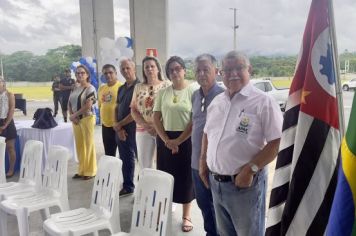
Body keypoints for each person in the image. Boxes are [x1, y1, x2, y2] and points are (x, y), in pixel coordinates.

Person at [199, 51, 283, 236]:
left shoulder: (263, 102)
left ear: (250, 70)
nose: (233, 73)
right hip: (216, 184)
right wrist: (203, 161)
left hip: (245, 186)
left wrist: (250, 169)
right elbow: (207, 133)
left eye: (239, 68)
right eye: (228, 69)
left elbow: (276, 142)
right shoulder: (217, 102)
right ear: (221, 73)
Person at [153, 56, 195, 233]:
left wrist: (178, 141)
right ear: (168, 73)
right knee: (164, 176)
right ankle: (162, 213)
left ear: (184, 70)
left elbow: (194, 120)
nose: (175, 72)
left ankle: (186, 216)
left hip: (185, 140)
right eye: (171, 70)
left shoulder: (193, 91)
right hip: (165, 140)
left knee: (185, 178)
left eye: (178, 68)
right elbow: (156, 117)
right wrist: (166, 140)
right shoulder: (163, 92)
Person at [191, 54, 224, 236]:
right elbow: (194, 123)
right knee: (203, 204)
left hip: (214, 164)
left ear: (216, 71)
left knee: (217, 206)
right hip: (195, 162)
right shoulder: (195, 95)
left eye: (206, 69)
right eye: (198, 70)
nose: (202, 74)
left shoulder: (223, 95)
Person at [130, 56, 170, 172]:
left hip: (163, 130)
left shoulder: (167, 85)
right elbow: (133, 110)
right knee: (144, 165)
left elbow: (170, 110)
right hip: (143, 130)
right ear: (143, 70)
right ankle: (146, 189)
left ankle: (162, 189)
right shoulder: (138, 87)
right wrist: (146, 125)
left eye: (152, 66)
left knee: (164, 164)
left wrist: (157, 127)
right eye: (146, 67)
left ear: (158, 69)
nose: (150, 69)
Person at [114, 59, 140, 196]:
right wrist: (117, 127)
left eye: (128, 68)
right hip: (121, 129)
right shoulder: (121, 88)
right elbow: (116, 107)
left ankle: (144, 190)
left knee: (141, 159)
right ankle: (128, 186)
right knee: (125, 159)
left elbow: (136, 112)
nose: (125, 71)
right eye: (123, 69)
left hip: (137, 129)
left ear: (134, 68)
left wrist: (120, 125)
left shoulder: (141, 86)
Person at [69, 65, 97, 180]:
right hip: (76, 120)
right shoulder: (75, 88)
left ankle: (90, 171)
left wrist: (75, 115)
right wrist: (72, 116)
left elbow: (88, 105)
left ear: (87, 75)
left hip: (87, 118)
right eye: (78, 73)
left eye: (82, 73)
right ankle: (81, 170)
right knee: (80, 146)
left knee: (88, 144)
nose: (80, 75)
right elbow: (69, 103)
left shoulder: (90, 88)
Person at [98, 64, 122, 156]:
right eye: (105, 73)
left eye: (110, 72)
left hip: (118, 126)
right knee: (109, 154)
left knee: (123, 154)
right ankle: (111, 171)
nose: (108, 75)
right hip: (105, 126)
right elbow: (101, 105)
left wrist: (120, 125)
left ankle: (121, 171)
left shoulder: (121, 87)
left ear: (116, 73)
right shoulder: (101, 88)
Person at [0, 77, 17, 178]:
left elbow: (11, 111)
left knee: (10, 148)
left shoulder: (10, 95)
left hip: (8, 122)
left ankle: (11, 170)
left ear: (3, 84)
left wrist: (5, 125)